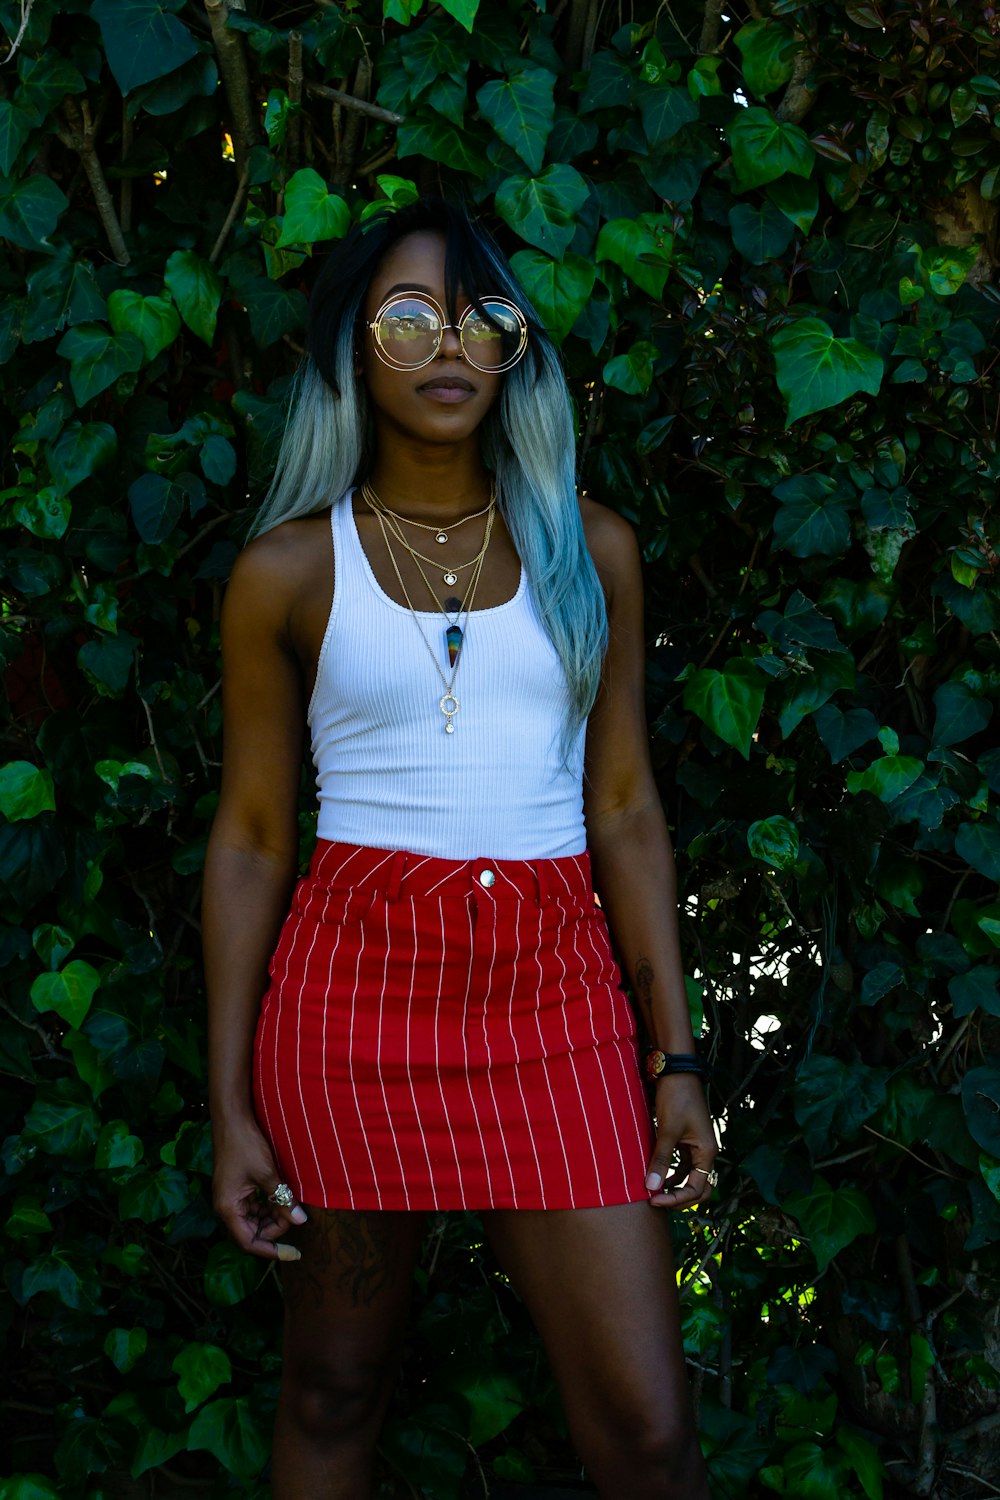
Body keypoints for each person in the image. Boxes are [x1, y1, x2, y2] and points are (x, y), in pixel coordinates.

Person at [203, 197, 718, 1500]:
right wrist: (229, 1107)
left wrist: (677, 1058)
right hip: (352, 1007)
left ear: (515, 353)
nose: (449, 342)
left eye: (485, 315)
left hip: (553, 1008)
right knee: (331, 1391)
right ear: (353, 353)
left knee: (648, 1435)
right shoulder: (287, 573)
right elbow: (258, 836)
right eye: (408, 316)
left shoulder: (591, 554)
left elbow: (627, 812)